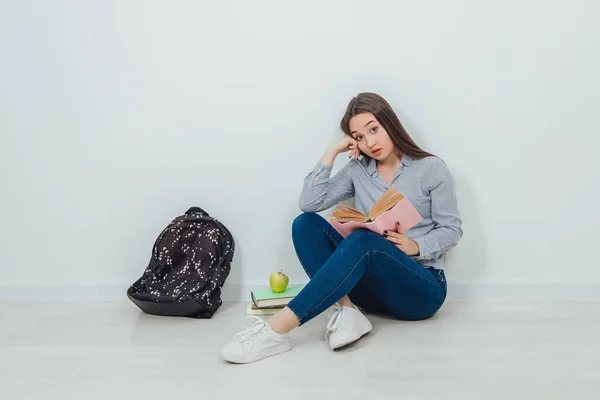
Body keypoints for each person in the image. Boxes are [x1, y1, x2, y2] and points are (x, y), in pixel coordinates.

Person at [221, 92, 463, 364]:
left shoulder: (430, 168)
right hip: (370, 292)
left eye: (374, 129)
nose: (370, 142)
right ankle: (348, 311)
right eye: (359, 137)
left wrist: (415, 246)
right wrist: (331, 153)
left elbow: (451, 229)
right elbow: (309, 203)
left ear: (389, 123)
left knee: (363, 242)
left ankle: (276, 331)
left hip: (421, 289)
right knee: (305, 224)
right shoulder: (357, 170)